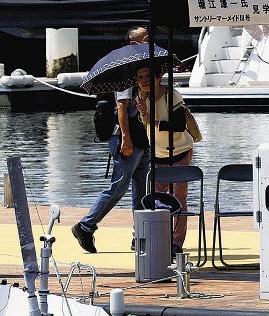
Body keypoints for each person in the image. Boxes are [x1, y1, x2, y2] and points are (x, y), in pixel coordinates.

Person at [71, 27, 152, 253]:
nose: (150, 41)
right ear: (134, 43)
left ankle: (140, 235)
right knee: (118, 187)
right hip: (127, 137)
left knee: (141, 189)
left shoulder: (142, 69)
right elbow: (121, 108)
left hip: (141, 138)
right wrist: (125, 138)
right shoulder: (126, 71)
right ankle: (86, 226)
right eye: (146, 38)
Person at [136, 63, 195, 256]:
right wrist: (142, 114)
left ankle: (176, 242)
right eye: (140, 78)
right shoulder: (140, 97)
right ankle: (160, 237)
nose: (144, 81)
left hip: (179, 150)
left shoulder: (172, 95)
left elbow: (178, 125)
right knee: (158, 199)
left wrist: (152, 120)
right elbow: (144, 123)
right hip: (158, 152)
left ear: (158, 76)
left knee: (179, 198)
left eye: (147, 76)